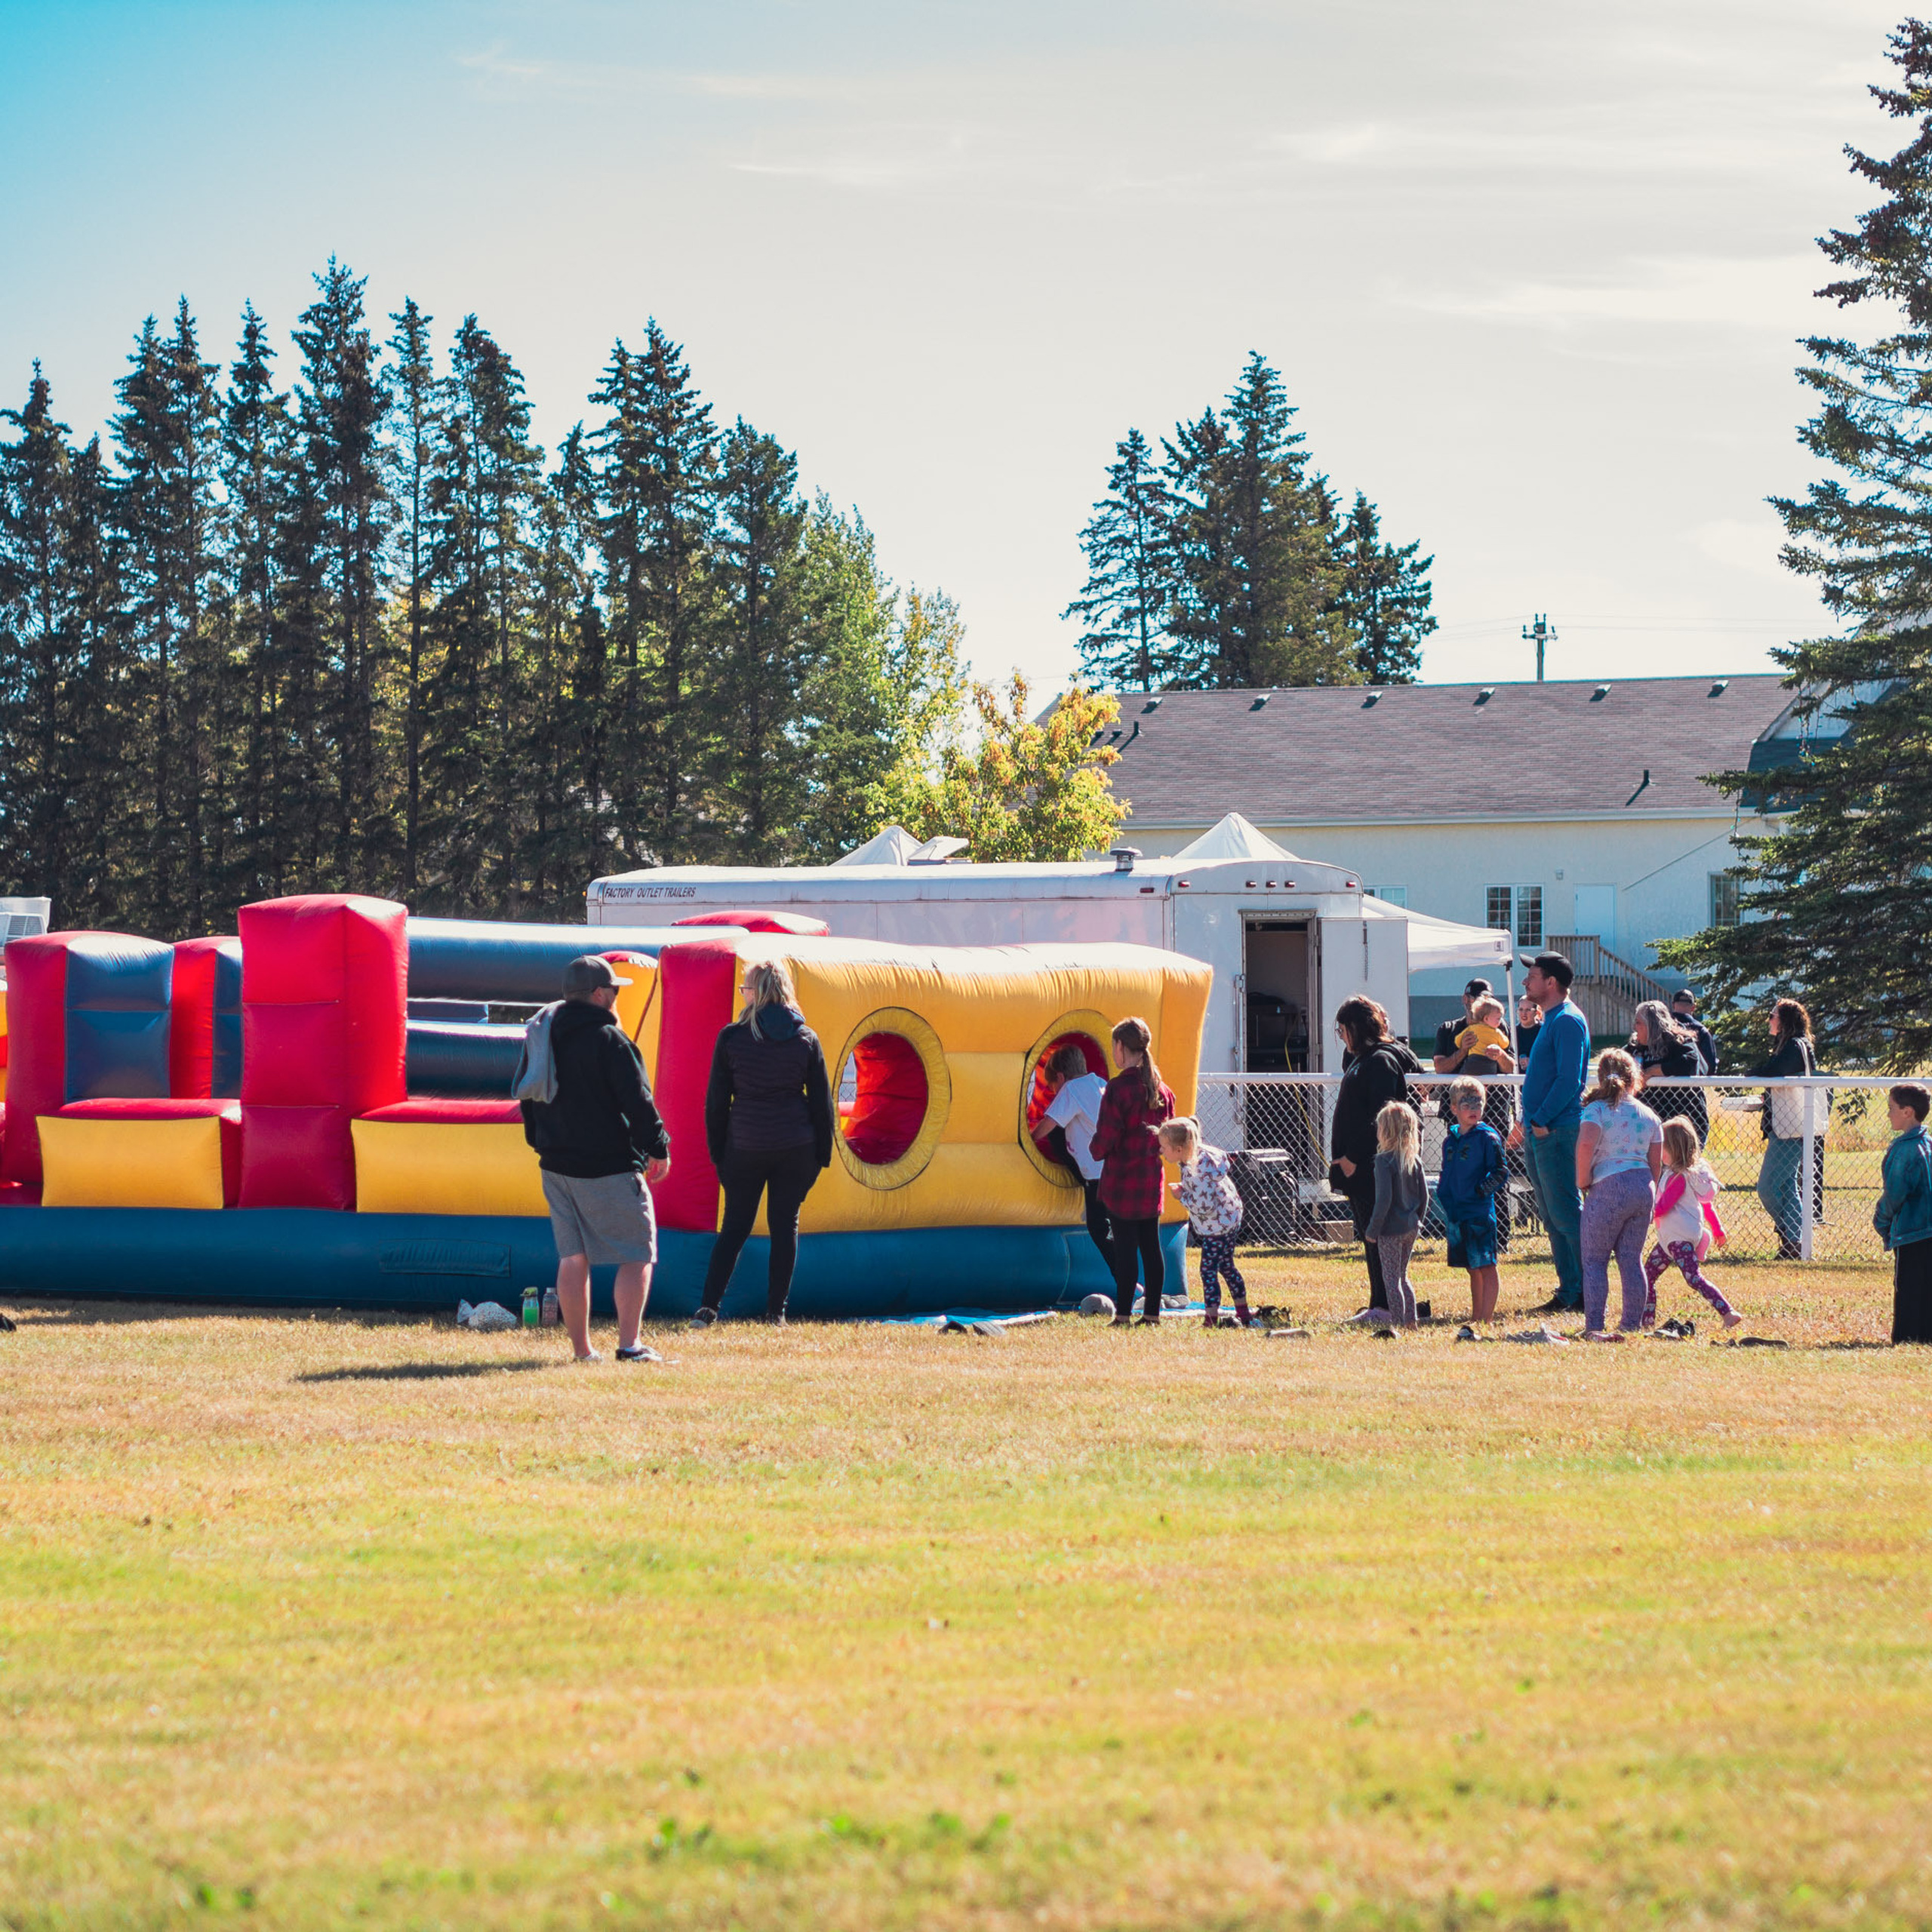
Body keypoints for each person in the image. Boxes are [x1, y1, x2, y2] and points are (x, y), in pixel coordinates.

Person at [519, 954, 672, 1364]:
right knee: (638, 1251)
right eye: (616, 990)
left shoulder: (541, 1033)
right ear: (601, 994)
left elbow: (527, 1096)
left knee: (572, 1256)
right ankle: (629, 1346)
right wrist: (658, 1148)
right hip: (607, 1164)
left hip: (555, 1165)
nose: (618, 997)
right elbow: (639, 1104)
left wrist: (541, 1142)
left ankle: (583, 1352)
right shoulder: (611, 1039)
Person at [694, 958, 835, 1327]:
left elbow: (716, 1104)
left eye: (745, 988)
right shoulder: (806, 1038)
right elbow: (822, 1103)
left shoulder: (732, 1037)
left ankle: (708, 1308)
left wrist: (718, 1153)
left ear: (755, 993)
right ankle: (776, 1313)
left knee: (735, 1228)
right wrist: (822, 1155)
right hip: (796, 1146)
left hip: (745, 1145)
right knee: (784, 1226)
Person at [1329, 994, 1425, 1318]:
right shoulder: (1362, 1058)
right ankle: (1378, 1303)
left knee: (1379, 1235)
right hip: (1356, 1168)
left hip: (1373, 1166)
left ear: (1355, 1027)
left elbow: (1382, 1114)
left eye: (1343, 1029)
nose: (1341, 1036)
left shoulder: (1381, 1060)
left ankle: (1387, 1305)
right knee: (1370, 1238)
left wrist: (1354, 1156)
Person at [1509, 953, 1590, 1314]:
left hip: (1556, 1129)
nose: (1526, 983)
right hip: (1541, 1128)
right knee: (1552, 1214)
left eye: (1533, 976)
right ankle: (1569, 1290)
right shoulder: (1553, 1019)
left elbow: (1570, 1080)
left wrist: (1541, 1119)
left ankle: (1586, 1291)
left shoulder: (1568, 1021)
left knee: (1565, 1214)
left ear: (1552, 983)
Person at [1090, 1016, 1177, 1326]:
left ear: (1120, 1047)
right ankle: (1152, 1314)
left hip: (1122, 1183)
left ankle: (1124, 1315)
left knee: (1126, 1251)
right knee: (1152, 1248)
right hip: (1150, 1180)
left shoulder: (1118, 1088)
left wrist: (1093, 1149)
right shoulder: (1163, 1091)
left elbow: (1106, 1139)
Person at [1575, 1048, 1663, 1340]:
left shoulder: (1596, 1110)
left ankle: (1595, 1326)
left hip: (1608, 1186)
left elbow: (1586, 1144)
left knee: (1595, 1259)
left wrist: (1583, 1179)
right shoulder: (1650, 1115)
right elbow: (1656, 1164)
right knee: (1631, 1258)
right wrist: (1649, 1194)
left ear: (1600, 1077)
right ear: (1634, 1077)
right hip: (1642, 1187)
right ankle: (1631, 1324)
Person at [1643, 1117, 1739, 1331]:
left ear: (1673, 1149)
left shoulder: (1679, 1177)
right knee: (1648, 1275)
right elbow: (1706, 1206)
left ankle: (1728, 1312)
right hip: (1673, 1239)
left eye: (1662, 1147)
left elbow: (1665, 1205)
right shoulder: (1687, 1175)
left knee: (1693, 1278)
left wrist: (1646, 1215)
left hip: (1679, 1239)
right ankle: (1646, 1321)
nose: (1658, 1152)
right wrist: (1717, 1229)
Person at [1032, 1044, 1115, 1279]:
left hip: (1097, 1175)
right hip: (1114, 1168)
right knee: (1112, 1227)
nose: (1054, 1092)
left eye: (1052, 1087)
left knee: (1099, 1229)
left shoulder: (1070, 1089)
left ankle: (1127, 1283)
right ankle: (1130, 1281)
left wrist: (1025, 1141)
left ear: (1060, 1077)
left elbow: (1045, 1128)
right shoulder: (1099, 1083)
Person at [1159, 1115, 1251, 1328]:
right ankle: (1243, 1313)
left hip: (1217, 1224)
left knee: (1208, 1269)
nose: (1162, 1151)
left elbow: (1204, 1206)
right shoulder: (1202, 1159)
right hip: (1228, 1217)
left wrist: (1181, 1195)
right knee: (1226, 1266)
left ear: (1179, 1149)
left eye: (1165, 1147)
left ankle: (1211, 1318)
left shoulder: (1196, 1172)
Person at [1749, 998, 1817, 1262]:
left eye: (1772, 1015)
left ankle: (1792, 1236)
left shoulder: (1796, 1046)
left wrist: (1754, 1073)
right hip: (1786, 1126)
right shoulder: (1793, 1045)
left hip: (1791, 1128)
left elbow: (1775, 1070)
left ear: (1785, 1020)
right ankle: (1797, 1243)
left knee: (1767, 1187)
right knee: (1788, 1188)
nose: (1769, 1020)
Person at [1435, 1076, 1505, 1322]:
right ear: (1454, 1108)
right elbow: (1446, 1172)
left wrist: (1479, 1192)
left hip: (1478, 1213)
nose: (1473, 1109)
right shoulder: (1450, 1141)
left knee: (1485, 1264)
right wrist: (1443, 1193)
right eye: (1467, 1104)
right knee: (1471, 1266)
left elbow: (1500, 1173)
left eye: (1478, 1104)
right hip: (1457, 1212)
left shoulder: (1488, 1138)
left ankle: (1486, 1317)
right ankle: (1476, 1316)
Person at [1875, 1082, 1932, 1345]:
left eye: (1892, 1109)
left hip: (1911, 1232)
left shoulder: (1903, 1150)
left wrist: (1882, 1221)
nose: (1889, 1114)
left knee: (1908, 1289)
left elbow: (1895, 1194)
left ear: (1908, 1112)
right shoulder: (1928, 1144)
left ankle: (1906, 1337)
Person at [1363, 1100, 1428, 1330]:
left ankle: (1398, 1323)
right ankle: (1412, 1321)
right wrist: (1417, 1219)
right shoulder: (1414, 1160)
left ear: (1385, 1131)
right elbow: (1424, 1196)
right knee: (1403, 1276)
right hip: (1411, 1226)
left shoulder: (1382, 1161)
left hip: (1390, 1230)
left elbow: (1383, 1201)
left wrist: (1372, 1230)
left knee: (1390, 1279)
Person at [1632, 998, 1709, 1143]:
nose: (1635, 1028)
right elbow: (1618, 1062)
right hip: (1648, 1125)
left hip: (1684, 1124)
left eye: (1638, 1023)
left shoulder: (1679, 1041)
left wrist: (1655, 1070)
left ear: (1652, 1025)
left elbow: (1690, 1063)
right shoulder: (1635, 1047)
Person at [1672, 989, 1721, 1078]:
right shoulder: (1702, 1031)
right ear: (1694, 1007)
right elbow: (1710, 1066)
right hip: (1693, 1086)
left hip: (1661, 1085)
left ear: (1673, 1005)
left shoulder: (1663, 1028)